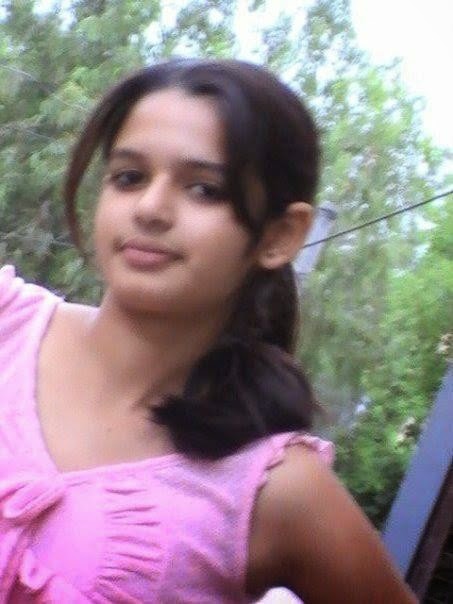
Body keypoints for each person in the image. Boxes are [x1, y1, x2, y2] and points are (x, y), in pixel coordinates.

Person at [0, 58, 416, 603]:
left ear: (281, 235)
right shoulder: (7, 323)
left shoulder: (276, 493)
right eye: (129, 177)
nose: (150, 209)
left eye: (204, 190)